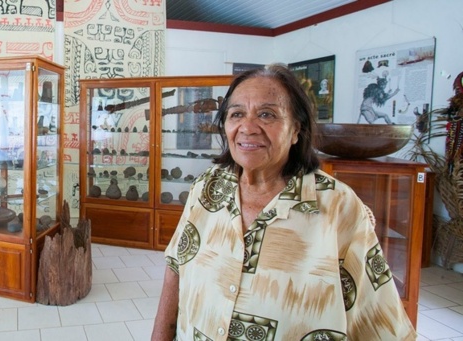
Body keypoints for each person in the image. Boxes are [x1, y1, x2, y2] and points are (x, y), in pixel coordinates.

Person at [152, 64, 415, 340]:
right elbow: (175, 270)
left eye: (267, 114)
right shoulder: (207, 187)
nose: (248, 127)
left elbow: (378, 319)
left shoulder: (338, 206)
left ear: (296, 130)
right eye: (237, 114)